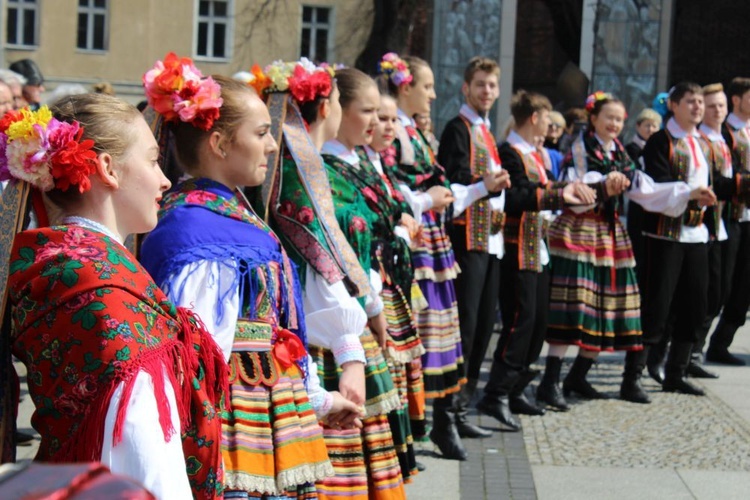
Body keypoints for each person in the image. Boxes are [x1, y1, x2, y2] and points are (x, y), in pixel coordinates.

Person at [139, 55, 352, 498]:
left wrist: (320, 400)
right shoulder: (197, 230)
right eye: (260, 134)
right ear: (218, 143)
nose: (273, 145)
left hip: (265, 415)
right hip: (235, 431)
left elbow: (269, 333)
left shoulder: (228, 215)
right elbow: (200, 354)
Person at [0, 94, 227, 499]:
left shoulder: (65, 263)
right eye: (153, 160)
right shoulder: (104, 293)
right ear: (108, 169)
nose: (165, 179)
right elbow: (143, 447)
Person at [259, 59, 406, 499]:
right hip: (321, 344)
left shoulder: (310, 171)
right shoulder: (300, 175)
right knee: (335, 476)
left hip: (340, 328)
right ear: (327, 107)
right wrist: (351, 353)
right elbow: (321, 264)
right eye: (345, 102)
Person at [541, 91, 691, 406]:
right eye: (609, 117)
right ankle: (550, 381)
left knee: (607, 308)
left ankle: (578, 375)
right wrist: (602, 189)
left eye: (620, 119)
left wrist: (684, 193)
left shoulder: (620, 152)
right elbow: (575, 193)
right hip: (579, 234)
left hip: (609, 236)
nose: (615, 124)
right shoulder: (580, 150)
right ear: (593, 118)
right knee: (573, 308)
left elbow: (642, 187)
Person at [320, 67, 424, 482]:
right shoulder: (327, 168)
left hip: (375, 290)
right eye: (368, 111)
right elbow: (350, 243)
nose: (377, 122)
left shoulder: (360, 159)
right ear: (336, 110)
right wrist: (397, 229)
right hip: (351, 303)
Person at [476, 90, 595, 416]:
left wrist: (569, 194)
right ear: (533, 118)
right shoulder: (510, 152)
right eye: (545, 117)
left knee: (538, 323)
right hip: (516, 247)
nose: (549, 123)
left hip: (536, 247)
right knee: (520, 320)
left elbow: (545, 191)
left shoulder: (535, 153)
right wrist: (559, 195)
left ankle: (517, 387)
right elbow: (516, 197)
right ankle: (496, 392)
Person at [379, 52, 470, 461]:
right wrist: (427, 198)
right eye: (427, 86)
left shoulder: (412, 130)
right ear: (405, 85)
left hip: (430, 236)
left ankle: (438, 418)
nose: (433, 95)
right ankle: (413, 426)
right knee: (416, 325)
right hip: (414, 236)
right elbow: (392, 189)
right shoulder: (393, 130)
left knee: (438, 326)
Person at [438, 57, 512, 441]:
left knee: (483, 328)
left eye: (492, 85)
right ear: (466, 88)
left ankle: (462, 405)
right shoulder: (457, 128)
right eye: (480, 84)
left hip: (490, 241)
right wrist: (486, 184)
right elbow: (452, 185)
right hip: (467, 240)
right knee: (465, 328)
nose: (486, 91)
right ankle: (446, 414)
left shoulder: (485, 130)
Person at [638, 82, 718, 395]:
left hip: (696, 234)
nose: (698, 107)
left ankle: (677, 371)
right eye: (690, 101)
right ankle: (634, 375)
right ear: (674, 105)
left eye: (700, 101)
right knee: (657, 305)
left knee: (695, 304)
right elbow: (654, 182)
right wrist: (689, 193)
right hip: (665, 234)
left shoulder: (702, 142)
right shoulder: (661, 140)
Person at [369, 91, 430, 444]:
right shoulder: (362, 165)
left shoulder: (381, 165)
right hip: (380, 276)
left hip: (394, 272)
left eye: (394, 119)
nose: (390, 126)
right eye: (380, 116)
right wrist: (402, 231)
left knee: (400, 365)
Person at [706, 77, 750, 366]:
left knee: (744, 286)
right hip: (730, 216)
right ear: (737, 99)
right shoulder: (727, 132)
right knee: (721, 283)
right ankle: (693, 345)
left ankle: (721, 343)